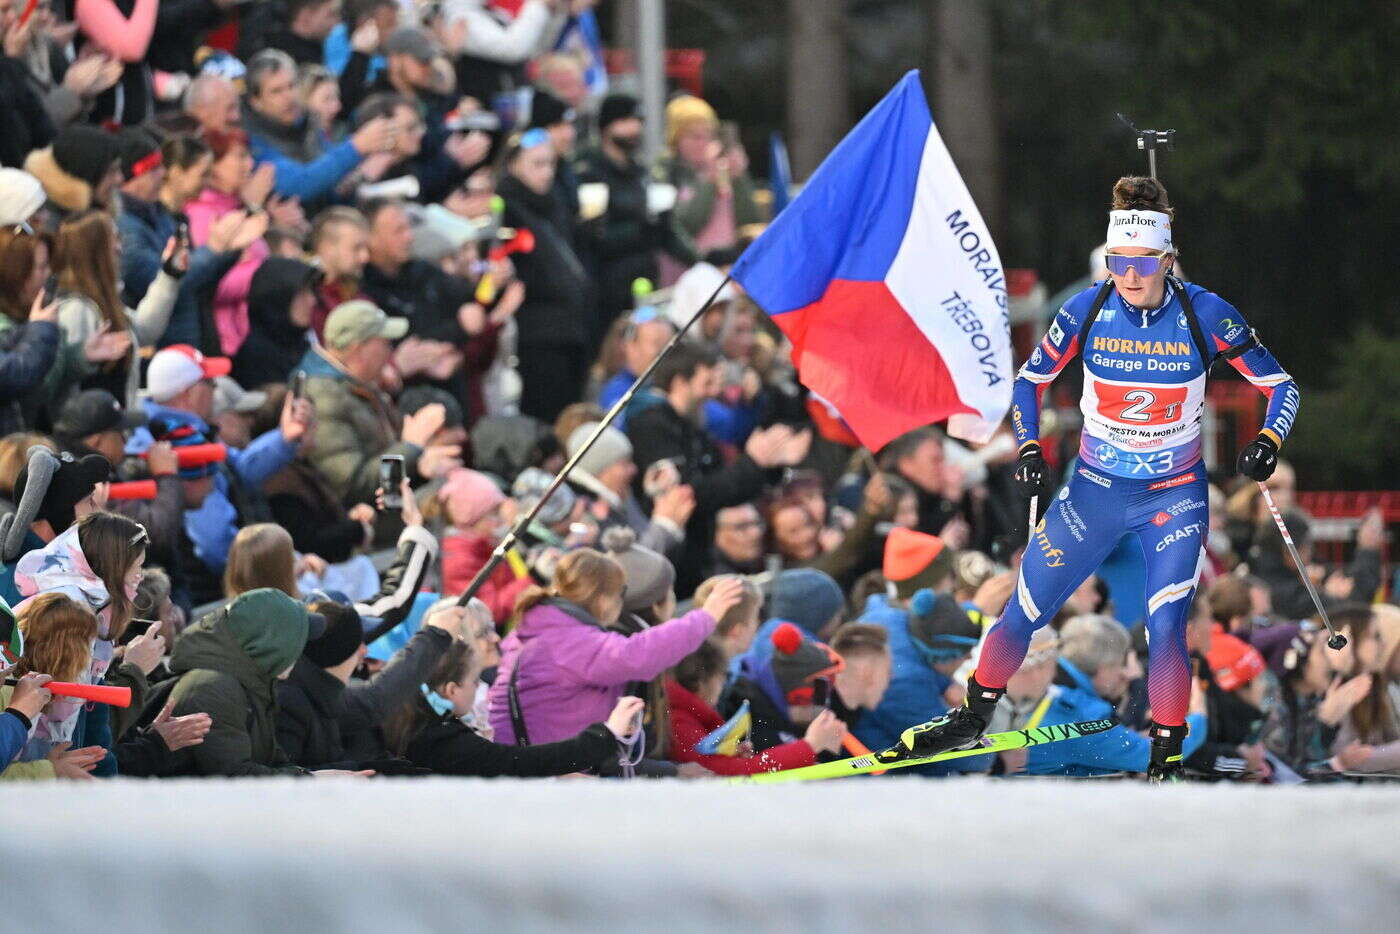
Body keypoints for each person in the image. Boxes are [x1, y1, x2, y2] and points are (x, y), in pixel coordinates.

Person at [902, 176, 1302, 782]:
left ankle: (1166, 757)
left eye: (1142, 263)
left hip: (1172, 494)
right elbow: (1030, 381)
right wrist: (1030, 445)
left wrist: (1269, 440)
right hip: (1095, 488)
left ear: (1167, 260)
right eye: (1118, 261)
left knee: (1167, 621)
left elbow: (1281, 386)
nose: (1129, 274)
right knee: (1025, 608)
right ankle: (971, 717)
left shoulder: (1206, 314)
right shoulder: (1087, 308)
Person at [488, 548, 745, 746]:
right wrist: (706, 616)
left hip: (539, 764)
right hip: (553, 777)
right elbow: (638, 655)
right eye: (619, 593)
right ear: (602, 599)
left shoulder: (543, 626)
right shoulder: (569, 641)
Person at [626, 342, 811, 592]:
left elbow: (723, 482)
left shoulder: (690, 423)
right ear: (680, 382)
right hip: (671, 563)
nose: (715, 393)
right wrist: (753, 463)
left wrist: (768, 465)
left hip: (697, 554)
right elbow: (693, 494)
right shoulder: (651, 426)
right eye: (707, 383)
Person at [156, 587, 365, 777]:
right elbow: (234, 778)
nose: (301, 651)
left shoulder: (253, 681)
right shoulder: (212, 689)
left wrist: (314, 777)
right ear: (271, 644)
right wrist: (310, 780)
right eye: (296, 640)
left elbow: (270, 762)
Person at [384, 632, 641, 778]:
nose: (478, 688)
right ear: (451, 690)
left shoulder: (403, 719)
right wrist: (607, 734)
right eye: (474, 681)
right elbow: (523, 762)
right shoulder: (446, 743)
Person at [297, 300, 460, 505]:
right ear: (359, 348)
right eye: (384, 343)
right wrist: (411, 448)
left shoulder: (359, 385)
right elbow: (351, 486)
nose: (390, 351)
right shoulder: (323, 398)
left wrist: (421, 465)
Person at [275, 596, 464, 769]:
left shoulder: (314, 689)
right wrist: (436, 635)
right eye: (359, 642)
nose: (365, 651)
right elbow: (374, 700)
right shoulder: (292, 701)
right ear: (338, 653)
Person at [498, 128, 593, 423]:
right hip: (537, 333)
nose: (546, 173)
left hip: (570, 327)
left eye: (550, 164)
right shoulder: (508, 209)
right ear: (513, 164)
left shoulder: (554, 205)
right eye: (536, 164)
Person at [575, 93, 694, 327]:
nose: (635, 128)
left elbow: (666, 231)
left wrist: (701, 260)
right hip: (606, 292)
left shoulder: (640, 173)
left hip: (644, 282)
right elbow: (594, 236)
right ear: (607, 126)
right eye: (626, 121)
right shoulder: (589, 172)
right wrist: (642, 228)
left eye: (638, 121)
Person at [51, 209, 182, 409]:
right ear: (93, 252)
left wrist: (169, 274)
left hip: (116, 432)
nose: (119, 248)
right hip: (92, 437)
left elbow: (143, 331)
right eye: (112, 241)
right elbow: (64, 392)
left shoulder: (103, 303)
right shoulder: (76, 311)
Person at [241, 49, 394, 208]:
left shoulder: (307, 124)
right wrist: (356, 146)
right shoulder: (252, 141)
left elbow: (331, 187)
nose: (289, 96)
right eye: (277, 91)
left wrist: (356, 178)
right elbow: (300, 185)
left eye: (292, 86)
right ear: (255, 101)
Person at [667, 638, 839, 776]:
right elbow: (735, 772)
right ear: (702, 682)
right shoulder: (679, 722)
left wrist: (730, 756)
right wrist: (809, 746)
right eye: (720, 678)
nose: (722, 686)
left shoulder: (689, 716)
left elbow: (725, 767)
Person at [564, 422, 693, 560]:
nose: (633, 469)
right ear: (601, 470)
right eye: (624, 464)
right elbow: (627, 565)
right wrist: (664, 525)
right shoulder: (585, 511)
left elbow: (640, 532)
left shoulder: (618, 495)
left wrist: (657, 498)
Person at [719, 622, 848, 755]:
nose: (822, 709)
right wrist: (820, 747)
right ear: (797, 696)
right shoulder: (747, 718)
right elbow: (781, 766)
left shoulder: (775, 711)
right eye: (819, 694)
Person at [232, 256, 321, 390]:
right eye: (301, 293)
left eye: (311, 291)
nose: (312, 300)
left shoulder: (304, 346)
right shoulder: (255, 357)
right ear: (279, 296)